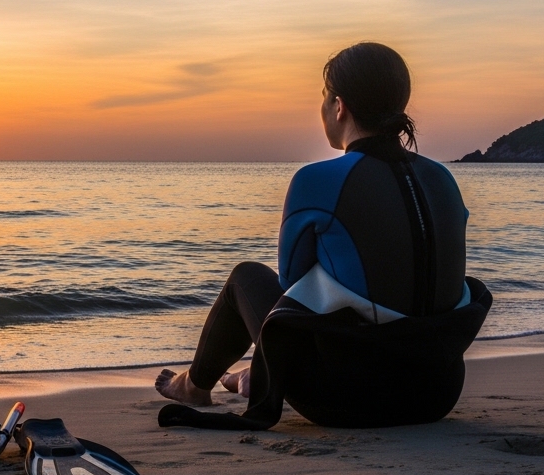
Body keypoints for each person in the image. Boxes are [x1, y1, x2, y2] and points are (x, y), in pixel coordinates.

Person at [154, 42, 489, 429]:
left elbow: (289, 292)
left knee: (245, 277)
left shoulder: (315, 181)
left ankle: (194, 386)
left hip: (346, 401)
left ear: (339, 106)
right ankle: (249, 373)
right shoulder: (442, 179)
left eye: (324, 97)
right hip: (437, 393)